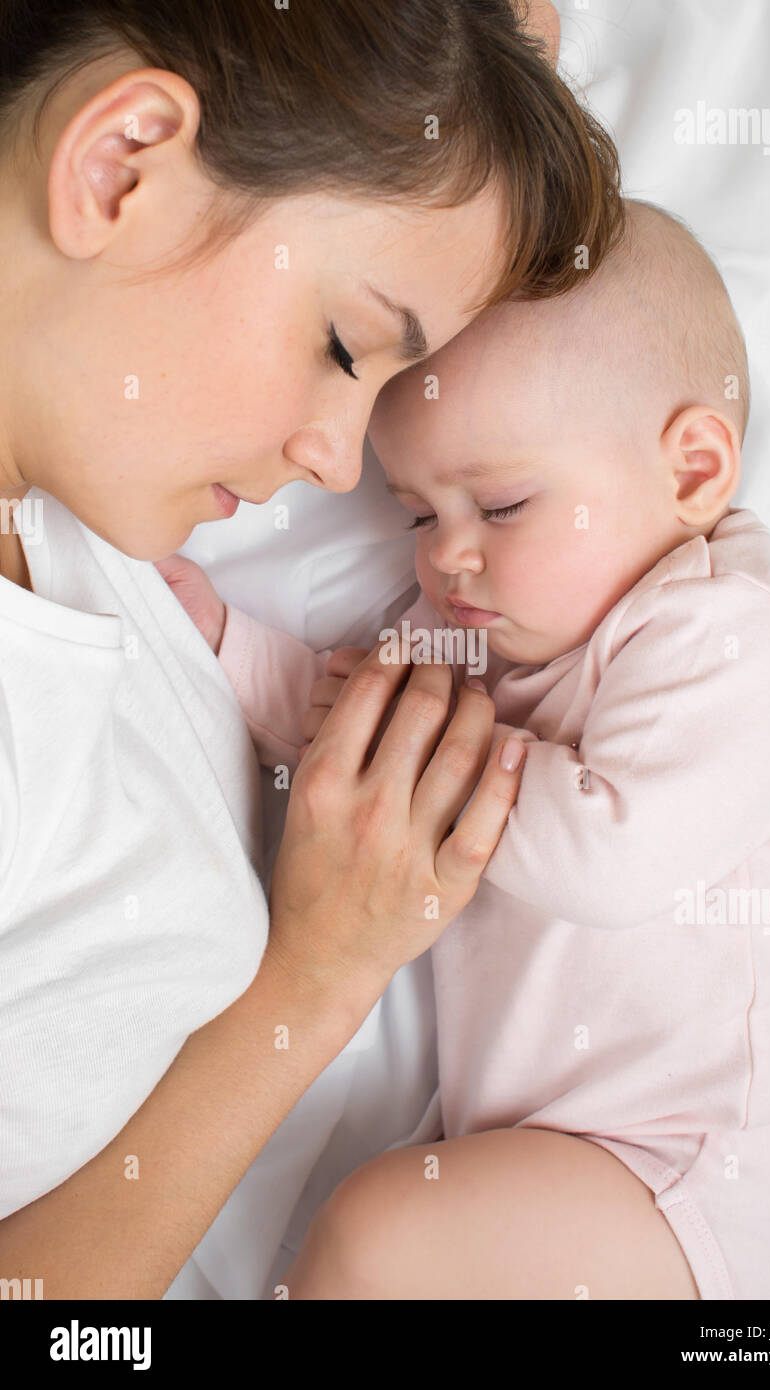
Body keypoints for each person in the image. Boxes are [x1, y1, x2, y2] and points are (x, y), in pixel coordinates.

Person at [0, 0, 625, 1297]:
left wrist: (485, 67)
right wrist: (314, 978)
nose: (336, 462)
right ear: (117, 167)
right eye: (343, 347)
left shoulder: (78, 497)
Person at [164, 202, 770, 1298]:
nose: (451, 557)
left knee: (374, 1236)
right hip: (536, 1163)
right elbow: (356, 732)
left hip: (678, 1195)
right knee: (384, 1232)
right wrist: (217, 641)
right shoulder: (473, 632)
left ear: (689, 470)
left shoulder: (733, 637)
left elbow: (604, 858)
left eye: (502, 504)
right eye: (415, 516)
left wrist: (430, 735)